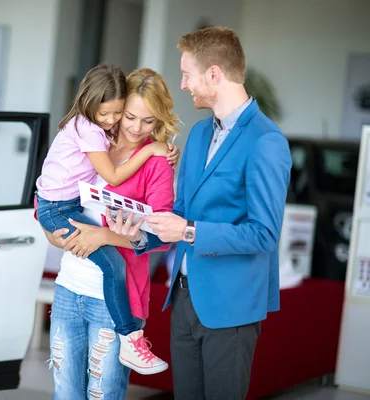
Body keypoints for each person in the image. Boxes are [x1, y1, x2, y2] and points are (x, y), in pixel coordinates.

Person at [114, 27, 292, 399]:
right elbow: (179, 213)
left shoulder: (266, 141)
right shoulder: (196, 135)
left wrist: (189, 231)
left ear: (213, 74)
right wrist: (140, 235)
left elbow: (264, 234)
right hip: (182, 300)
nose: (182, 85)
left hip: (230, 308)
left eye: (187, 74)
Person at [42, 67, 181, 399]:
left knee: (102, 395)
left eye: (148, 121)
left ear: (159, 119)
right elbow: (51, 196)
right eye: (130, 116)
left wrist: (106, 237)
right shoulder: (93, 137)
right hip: (68, 288)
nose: (135, 127)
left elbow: (164, 235)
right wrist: (54, 237)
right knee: (65, 394)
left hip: (115, 301)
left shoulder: (158, 162)